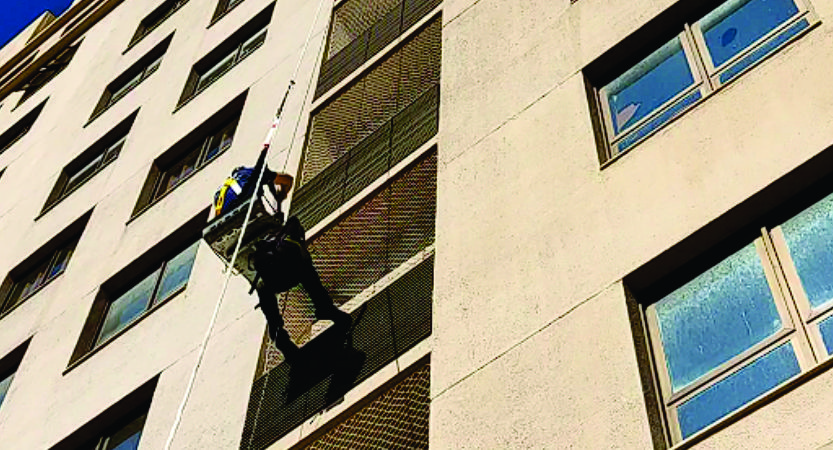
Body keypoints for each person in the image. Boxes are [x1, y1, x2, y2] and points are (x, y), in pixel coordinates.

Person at [216, 150, 351, 362]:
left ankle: (277, 333)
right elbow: (287, 180)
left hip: (247, 253)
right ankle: (323, 306)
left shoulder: (220, 199)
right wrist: (279, 191)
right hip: (267, 244)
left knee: (262, 283)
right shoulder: (248, 175)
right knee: (297, 248)